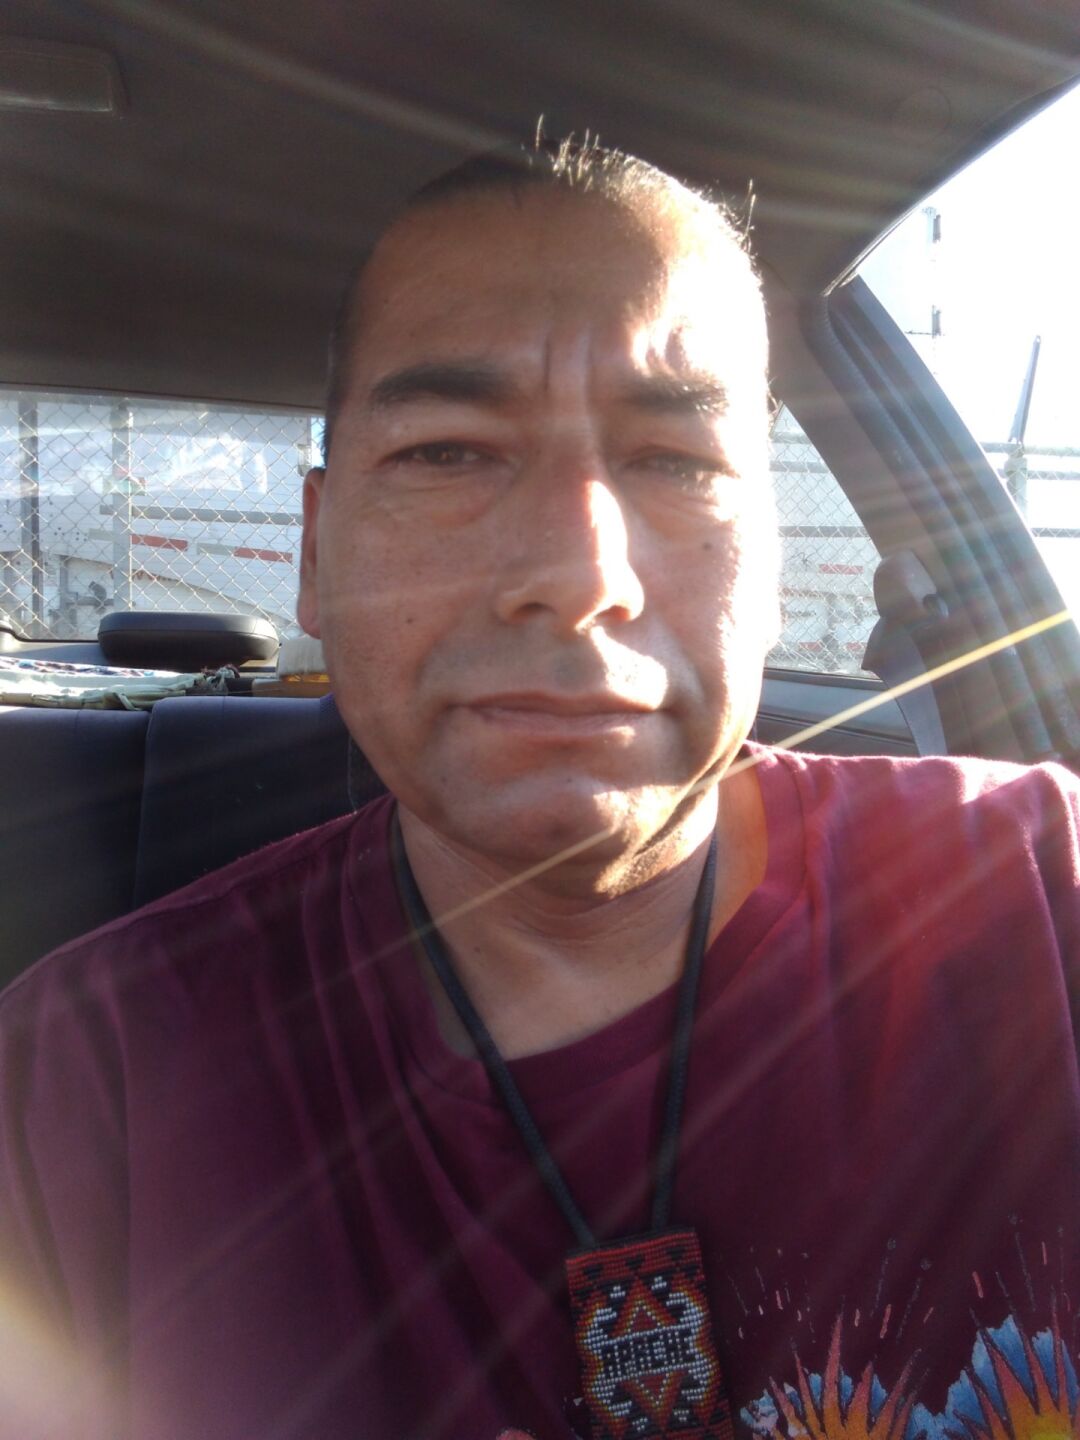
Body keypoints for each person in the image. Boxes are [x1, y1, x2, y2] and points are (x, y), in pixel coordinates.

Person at [1, 138, 1078, 1440]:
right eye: (450, 452)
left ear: (773, 565)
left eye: (676, 460)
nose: (580, 573)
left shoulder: (1041, 894)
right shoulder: (82, 1092)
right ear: (314, 553)